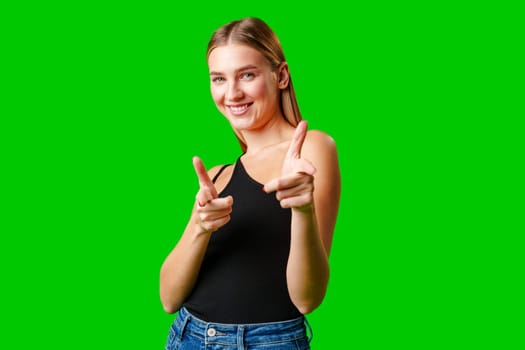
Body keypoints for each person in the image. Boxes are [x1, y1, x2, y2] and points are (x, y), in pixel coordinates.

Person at [160, 17, 341, 349]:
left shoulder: (311, 149)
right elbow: (168, 298)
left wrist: (302, 210)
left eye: (247, 75)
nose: (232, 93)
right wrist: (200, 228)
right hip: (188, 336)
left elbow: (307, 299)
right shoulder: (217, 176)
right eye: (219, 78)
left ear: (281, 75)